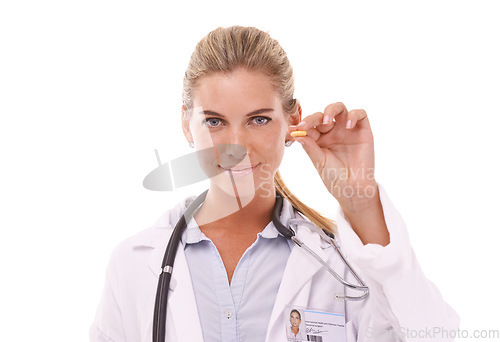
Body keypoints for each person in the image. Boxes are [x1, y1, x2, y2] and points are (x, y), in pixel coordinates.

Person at [90, 26, 460, 342]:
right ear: (187, 124)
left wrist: (361, 202)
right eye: (215, 122)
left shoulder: (343, 263)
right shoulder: (134, 265)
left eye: (259, 120)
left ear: (292, 120)